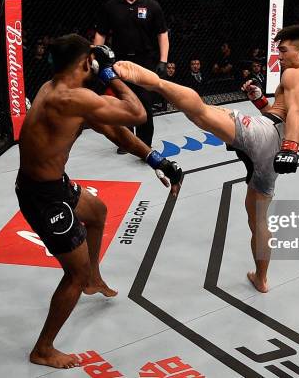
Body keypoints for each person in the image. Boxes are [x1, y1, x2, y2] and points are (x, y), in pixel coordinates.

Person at [113, 25, 299, 293]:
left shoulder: (295, 74)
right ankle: (261, 279)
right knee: (258, 220)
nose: (279, 57)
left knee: (201, 112)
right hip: (271, 154)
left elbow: (294, 113)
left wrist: (290, 147)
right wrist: (260, 102)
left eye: (283, 51)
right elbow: (284, 114)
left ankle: (155, 82)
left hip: (269, 138)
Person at [15, 34, 181, 369]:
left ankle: (92, 277)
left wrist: (156, 161)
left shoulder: (62, 91)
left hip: (54, 184)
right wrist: (110, 74)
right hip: (42, 196)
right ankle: (44, 348)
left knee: (98, 211)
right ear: (84, 64)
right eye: (91, 60)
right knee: (71, 275)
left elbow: (117, 131)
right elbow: (137, 114)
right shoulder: (67, 98)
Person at [94, 0, 169, 152]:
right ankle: (127, 141)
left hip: (145, 60)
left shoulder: (152, 5)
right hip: (119, 60)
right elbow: (101, 34)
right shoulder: (110, 6)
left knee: (144, 103)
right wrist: (95, 57)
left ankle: (144, 144)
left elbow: (162, 34)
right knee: (123, 101)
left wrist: (163, 60)